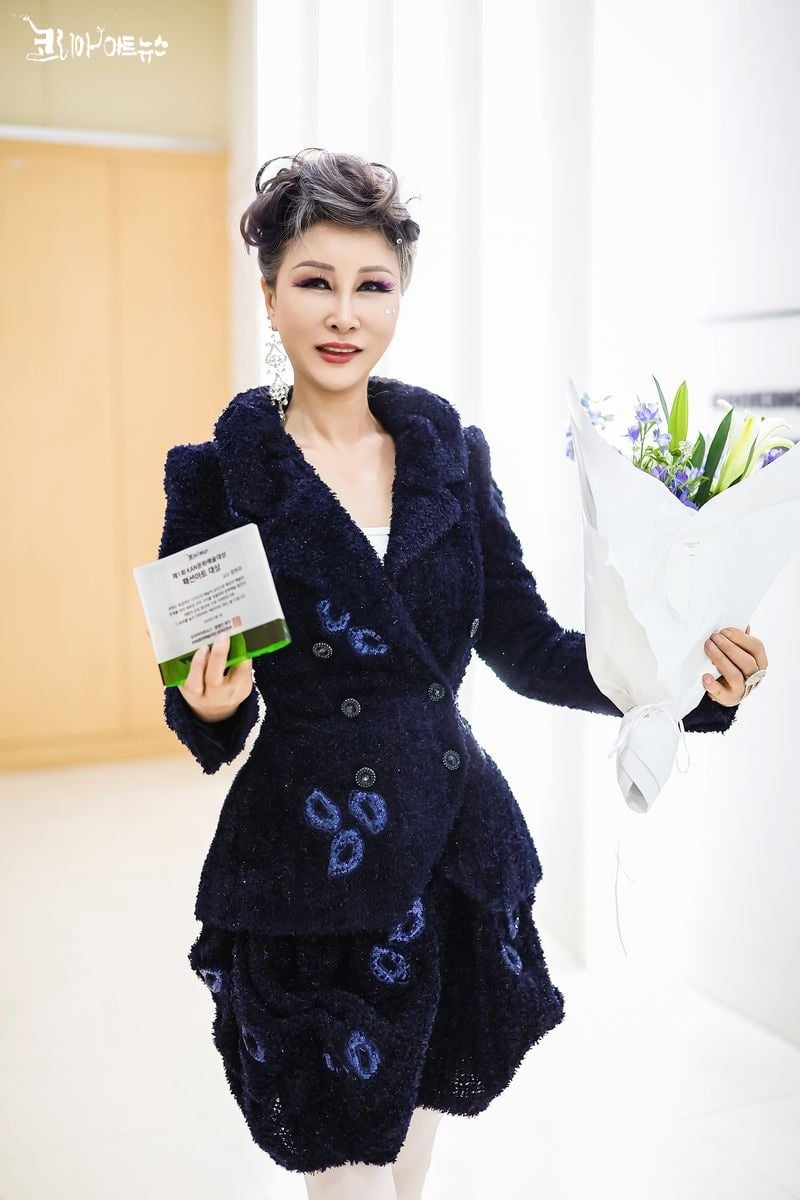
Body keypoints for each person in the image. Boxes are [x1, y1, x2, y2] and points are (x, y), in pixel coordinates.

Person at [157, 148, 769, 1200]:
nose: (342, 313)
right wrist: (210, 705)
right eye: (313, 281)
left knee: (410, 1168)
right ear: (269, 293)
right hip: (314, 864)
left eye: (372, 285)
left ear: (400, 296)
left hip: (449, 849)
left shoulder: (449, 454)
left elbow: (527, 648)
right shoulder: (218, 479)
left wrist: (683, 684)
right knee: (344, 1171)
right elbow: (206, 696)